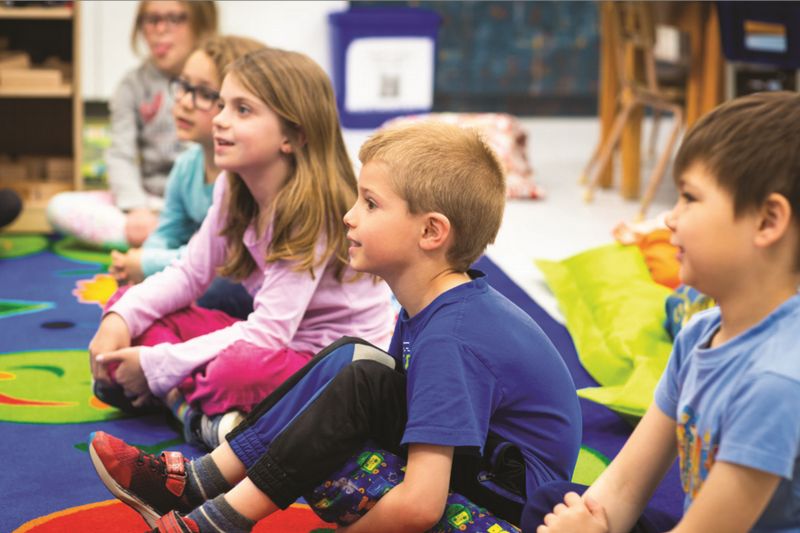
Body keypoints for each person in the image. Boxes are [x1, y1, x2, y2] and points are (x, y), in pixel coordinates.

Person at [88, 121, 583, 532]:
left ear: (431, 232)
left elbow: (420, 505)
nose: (348, 217)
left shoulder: (452, 335)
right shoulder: (428, 309)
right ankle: (200, 484)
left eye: (370, 203)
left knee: (334, 433)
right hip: (477, 471)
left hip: (504, 514)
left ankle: (220, 516)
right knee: (353, 361)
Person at [87, 48, 395, 451]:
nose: (219, 119)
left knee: (235, 370)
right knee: (130, 302)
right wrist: (120, 320)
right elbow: (188, 275)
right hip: (276, 341)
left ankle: (184, 407)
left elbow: (267, 334)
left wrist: (154, 364)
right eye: (222, 105)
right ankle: (203, 413)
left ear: (294, 136)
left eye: (243, 110)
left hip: (330, 362)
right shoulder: (232, 187)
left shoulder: (309, 211)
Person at [527, 91, 800, 533]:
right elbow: (621, 489)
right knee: (556, 503)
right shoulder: (699, 333)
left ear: (768, 221)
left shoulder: (777, 381)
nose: (669, 219)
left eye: (689, 198)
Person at [109, 34, 266, 319]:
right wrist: (144, 259)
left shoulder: (245, 177)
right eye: (182, 85)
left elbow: (222, 258)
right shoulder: (186, 165)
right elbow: (167, 231)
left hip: (242, 277)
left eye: (205, 94)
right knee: (136, 296)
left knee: (214, 290)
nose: (183, 101)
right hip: (198, 263)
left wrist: (147, 263)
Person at [47, 1, 218, 250]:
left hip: (204, 199)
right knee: (59, 207)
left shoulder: (224, 77)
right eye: (151, 19)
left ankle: (184, 241)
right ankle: (183, 242)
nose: (160, 29)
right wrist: (137, 209)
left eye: (174, 18)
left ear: (201, 23)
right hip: (152, 203)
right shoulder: (132, 85)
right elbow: (120, 155)